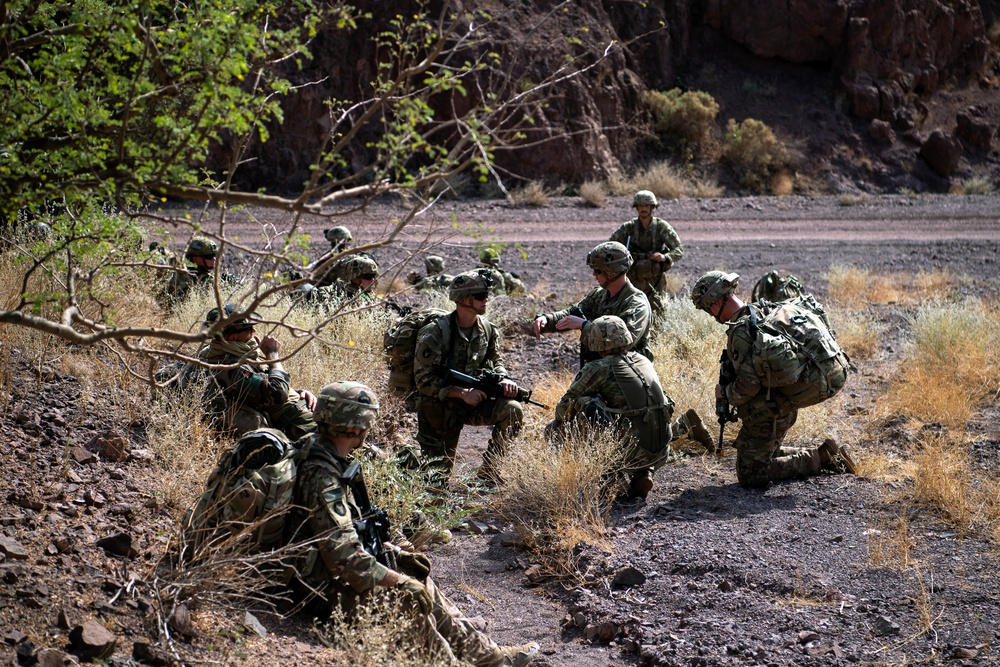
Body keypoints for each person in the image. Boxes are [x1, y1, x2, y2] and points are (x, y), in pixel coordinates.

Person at [288, 381, 539, 667]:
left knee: (414, 573)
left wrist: (398, 560)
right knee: (405, 596)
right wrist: (400, 582)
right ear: (356, 428)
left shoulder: (324, 452)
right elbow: (345, 559)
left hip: (324, 570)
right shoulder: (323, 478)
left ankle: (484, 656)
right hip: (318, 589)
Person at [691, 271, 856, 489]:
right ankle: (825, 452)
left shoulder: (741, 331)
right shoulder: (762, 309)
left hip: (773, 410)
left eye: (707, 307)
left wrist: (725, 393)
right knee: (754, 453)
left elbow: (747, 388)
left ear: (716, 302)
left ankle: (822, 458)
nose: (710, 314)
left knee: (751, 475)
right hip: (785, 401)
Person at [545, 316, 715, 499]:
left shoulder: (599, 367)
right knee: (639, 414)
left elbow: (563, 410)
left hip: (633, 451)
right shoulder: (642, 360)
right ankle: (681, 431)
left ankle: (611, 477)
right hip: (662, 448)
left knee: (579, 410)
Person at [413, 269, 524, 483]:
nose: (486, 300)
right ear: (464, 299)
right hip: (440, 407)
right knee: (436, 483)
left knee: (513, 410)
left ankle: (489, 472)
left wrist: (504, 377)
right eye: (481, 296)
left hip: (474, 402)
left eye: (486, 295)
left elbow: (496, 360)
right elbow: (423, 380)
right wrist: (461, 393)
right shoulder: (435, 332)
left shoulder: (489, 330)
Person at [198, 304, 318, 440]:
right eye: (248, 329)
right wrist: (273, 355)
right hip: (296, 423)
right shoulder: (229, 367)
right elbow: (277, 393)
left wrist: (298, 392)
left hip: (300, 409)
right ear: (232, 337)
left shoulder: (227, 352)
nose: (254, 331)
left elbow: (260, 385)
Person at [531, 241, 652, 366]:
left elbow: (625, 342)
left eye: (598, 271)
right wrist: (547, 319)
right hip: (600, 369)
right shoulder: (599, 295)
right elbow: (572, 314)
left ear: (612, 272)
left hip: (627, 372)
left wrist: (584, 326)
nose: (594, 274)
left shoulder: (637, 304)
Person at [609, 191, 683, 323]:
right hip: (632, 280)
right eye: (640, 205)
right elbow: (610, 246)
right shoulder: (628, 228)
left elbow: (678, 249)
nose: (643, 209)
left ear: (653, 207)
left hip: (656, 282)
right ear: (636, 207)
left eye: (647, 206)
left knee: (658, 317)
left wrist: (665, 257)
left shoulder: (661, 227)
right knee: (631, 315)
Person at [162, 238, 236, 305]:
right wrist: (226, 285)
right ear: (196, 259)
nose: (214, 259)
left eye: (214, 256)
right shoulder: (184, 277)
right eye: (209, 257)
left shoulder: (183, 274)